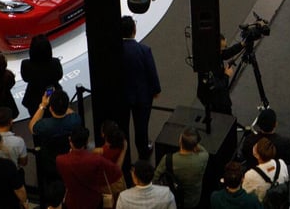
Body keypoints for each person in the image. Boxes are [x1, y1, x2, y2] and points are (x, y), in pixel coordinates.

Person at [122, 15, 161, 161]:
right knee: (141, 127)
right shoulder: (143, 50)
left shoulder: (115, 51)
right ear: (134, 30)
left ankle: (124, 154)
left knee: (122, 127)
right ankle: (143, 152)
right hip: (141, 96)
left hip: (123, 96)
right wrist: (156, 90)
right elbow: (151, 72)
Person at [57, 126, 125, 209]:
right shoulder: (96, 159)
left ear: (70, 142)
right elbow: (116, 170)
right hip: (93, 202)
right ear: (86, 143)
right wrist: (124, 150)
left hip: (72, 202)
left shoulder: (60, 160)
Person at [154, 128, 208, 209]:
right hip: (193, 200)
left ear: (180, 142)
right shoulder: (203, 157)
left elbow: (155, 178)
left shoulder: (168, 159)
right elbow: (203, 151)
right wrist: (194, 143)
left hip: (173, 200)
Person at [20, 34, 63, 118]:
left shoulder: (26, 64)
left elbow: (25, 78)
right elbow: (59, 76)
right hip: (54, 96)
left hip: (33, 98)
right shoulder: (55, 62)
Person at [242, 138, 289, 203]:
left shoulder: (250, 175)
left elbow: (245, 194)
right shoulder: (281, 163)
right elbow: (286, 180)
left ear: (257, 155)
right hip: (280, 198)